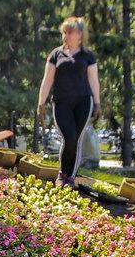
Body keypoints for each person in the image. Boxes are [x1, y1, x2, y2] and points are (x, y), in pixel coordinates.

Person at [37, 17, 101, 186]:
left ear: (80, 34)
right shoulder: (56, 54)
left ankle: (70, 177)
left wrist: (97, 103)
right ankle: (62, 173)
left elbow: (94, 81)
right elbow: (47, 80)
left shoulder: (88, 56)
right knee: (69, 138)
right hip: (61, 103)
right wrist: (41, 103)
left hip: (83, 102)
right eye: (64, 32)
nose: (66, 35)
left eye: (70, 32)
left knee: (77, 140)